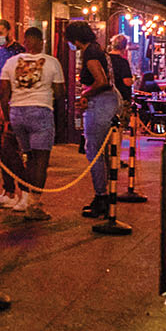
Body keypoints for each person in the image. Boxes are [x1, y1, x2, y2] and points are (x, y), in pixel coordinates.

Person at [0, 26, 66, 221]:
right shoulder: (52, 63)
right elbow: (60, 93)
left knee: (27, 157)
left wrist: (7, 115)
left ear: (25, 42)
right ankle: (34, 204)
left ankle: (25, 196)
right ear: (42, 42)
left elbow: (3, 92)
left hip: (17, 112)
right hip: (41, 111)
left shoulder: (11, 62)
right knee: (40, 160)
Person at [66, 18, 120, 218]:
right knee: (100, 151)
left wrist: (85, 94)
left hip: (102, 103)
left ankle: (101, 197)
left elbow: (102, 81)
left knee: (94, 150)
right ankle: (103, 194)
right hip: (109, 101)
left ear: (75, 39)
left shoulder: (90, 52)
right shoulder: (97, 49)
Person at [0, 17, 24, 203]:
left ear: (9, 32)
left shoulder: (18, 52)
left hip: (12, 107)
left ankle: (22, 191)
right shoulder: (1, 52)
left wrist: (7, 109)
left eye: (0, 34)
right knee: (3, 152)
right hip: (0, 107)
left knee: (13, 152)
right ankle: (9, 189)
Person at [108, 34, 134, 118]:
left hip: (106, 97)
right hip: (121, 98)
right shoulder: (123, 62)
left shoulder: (105, 59)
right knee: (121, 125)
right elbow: (127, 82)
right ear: (125, 47)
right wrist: (133, 79)